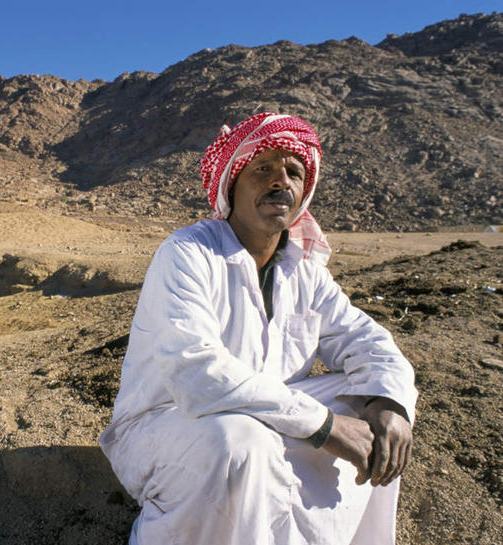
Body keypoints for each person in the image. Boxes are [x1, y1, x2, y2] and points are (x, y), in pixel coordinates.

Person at [99, 112, 417, 544]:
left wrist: (390, 403)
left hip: (266, 417)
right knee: (239, 441)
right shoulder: (189, 253)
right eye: (263, 169)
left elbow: (369, 342)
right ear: (233, 182)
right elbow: (197, 372)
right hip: (169, 425)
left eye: (293, 172)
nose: (280, 181)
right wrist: (324, 426)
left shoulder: (304, 272)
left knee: (377, 400)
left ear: (305, 190)